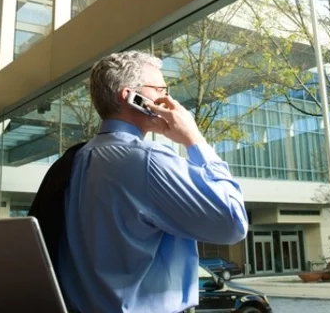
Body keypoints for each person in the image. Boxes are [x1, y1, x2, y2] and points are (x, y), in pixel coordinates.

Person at [57, 51, 248, 313]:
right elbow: (233, 222)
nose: (168, 100)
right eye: (160, 89)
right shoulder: (147, 159)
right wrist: (195, 139)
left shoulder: (76, 159)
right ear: (129, 97)